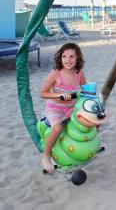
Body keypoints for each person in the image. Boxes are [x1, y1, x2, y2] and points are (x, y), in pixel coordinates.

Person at [39, 43, 86, 174]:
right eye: (64, 56)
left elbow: (84, 88)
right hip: (55, 108)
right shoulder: (55, 74)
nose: (68, 60)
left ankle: (88, 147)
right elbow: (42, 93)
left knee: (89, 119)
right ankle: (46, 156)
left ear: (78, 58)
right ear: (60, 58)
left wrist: (90, 96)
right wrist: (58, 95)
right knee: (58, 128)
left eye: (72, 56)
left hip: (71, 108)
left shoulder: (79, 73)